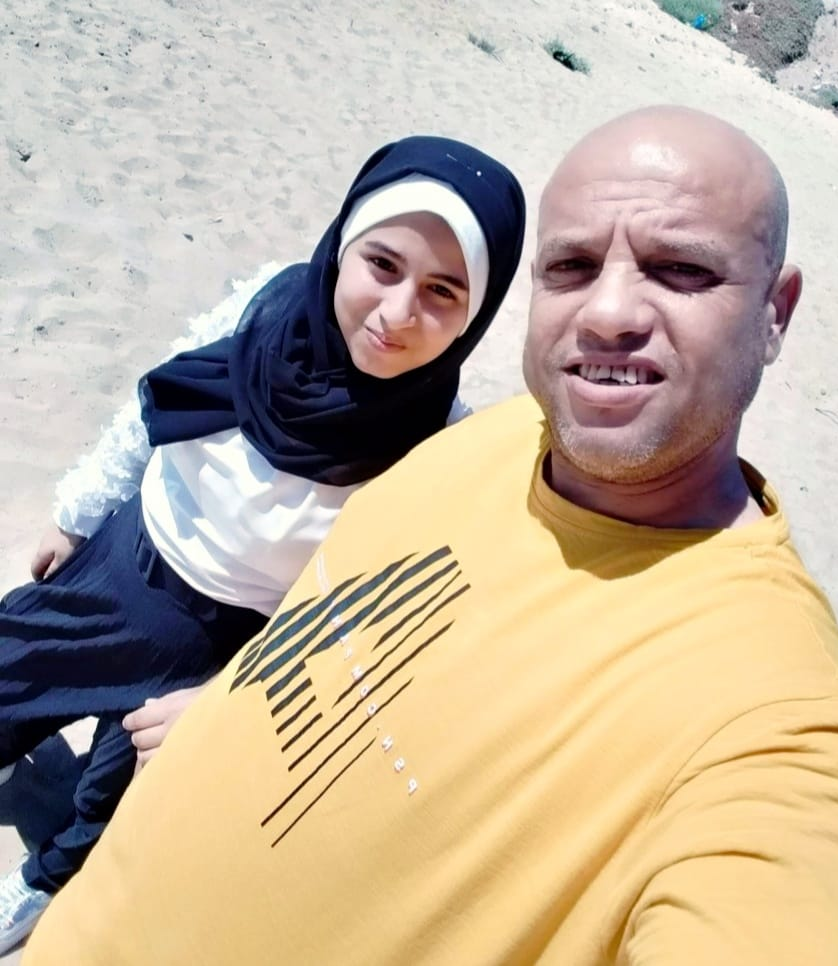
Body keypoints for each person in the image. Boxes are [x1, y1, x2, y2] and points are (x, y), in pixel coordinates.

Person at [25, 106, 838, 965]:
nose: (607, 313)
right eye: (572, 265)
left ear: (775, 311)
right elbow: (326, 618)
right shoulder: (493, 440)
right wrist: (227, 707)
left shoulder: (782, 731)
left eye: (680, 270)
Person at [0, 134, 526, 952]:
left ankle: (42, 884)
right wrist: (77, 512)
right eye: (382, 264)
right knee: (16, 665)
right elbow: (162, 397)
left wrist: (227, 701)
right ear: (342, 246)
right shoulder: (270, 310)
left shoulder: (433, 440)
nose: (397, 313)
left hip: (232, 641)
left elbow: (363, 613)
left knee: (119, 792)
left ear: (476, 315)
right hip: (128, 562)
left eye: (442, 292)